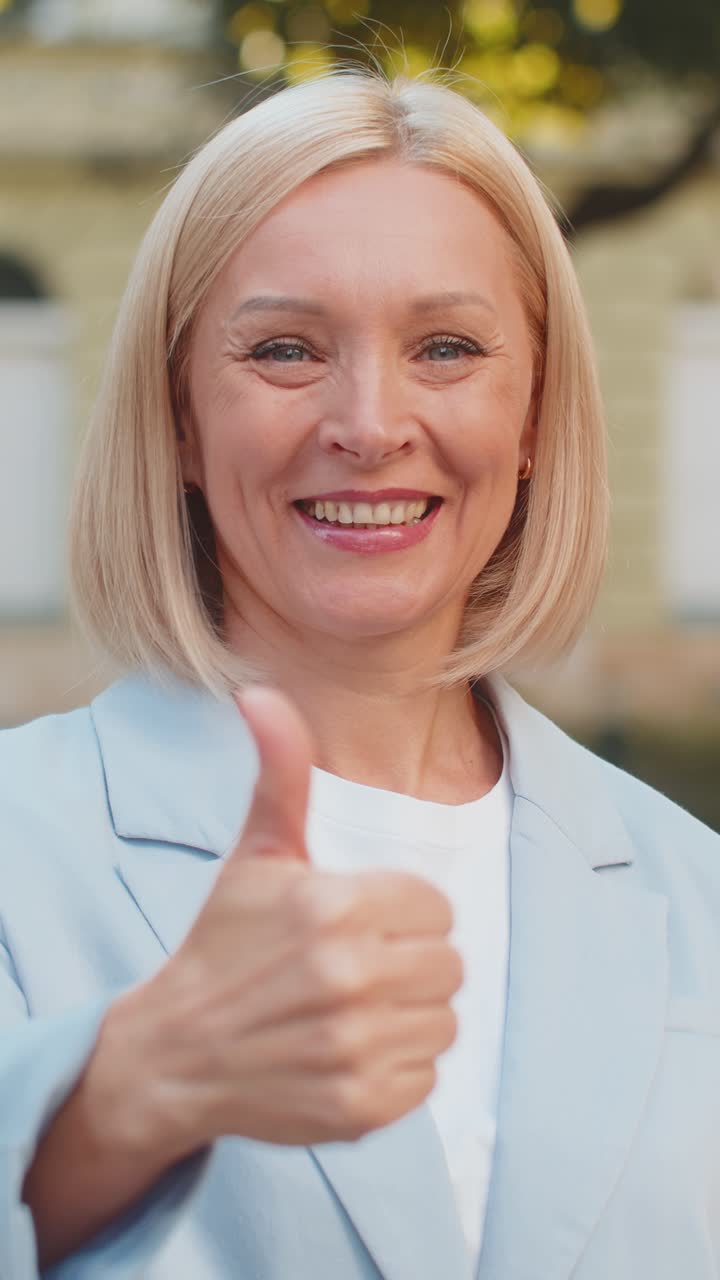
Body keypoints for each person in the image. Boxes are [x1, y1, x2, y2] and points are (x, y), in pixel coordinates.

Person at [1, 67, 718, 1280]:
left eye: (446, 346)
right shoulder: (19, 839)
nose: (370, 421)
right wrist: (121, 1099)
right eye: (284, 348)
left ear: (536, 410)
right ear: (177, 415)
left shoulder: (697, 891)